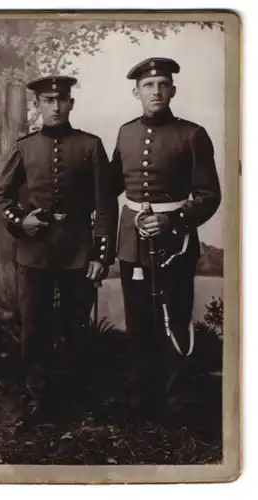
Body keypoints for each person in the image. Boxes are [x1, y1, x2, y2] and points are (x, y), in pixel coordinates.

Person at [0, 75, 118, 427]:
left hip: (78, 253)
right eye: (48, 100)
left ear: (71, 103)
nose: (56, 106)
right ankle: (38, 400)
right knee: (35, 329)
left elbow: (105, 204)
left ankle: (75, 402)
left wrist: (100, 255)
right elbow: (1, 196)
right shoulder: (25, 146)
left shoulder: (90, 145)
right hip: (34, 253)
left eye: (61, 99)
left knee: (75, 328)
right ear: (38, 105)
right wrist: (20, 222)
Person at [111, 58, 221, 421]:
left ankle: (176, 405)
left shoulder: (192, 134)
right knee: (138, 320)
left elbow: (208, 195)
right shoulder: (125, 133)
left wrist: (172, 219)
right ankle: (142, 403)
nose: (156, 91)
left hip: (176, 243)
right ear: (136, 92)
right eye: (148, 85)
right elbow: (111, 185)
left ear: (172, 90)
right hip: (132, 242)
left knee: (175, 318)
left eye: (162, 84)